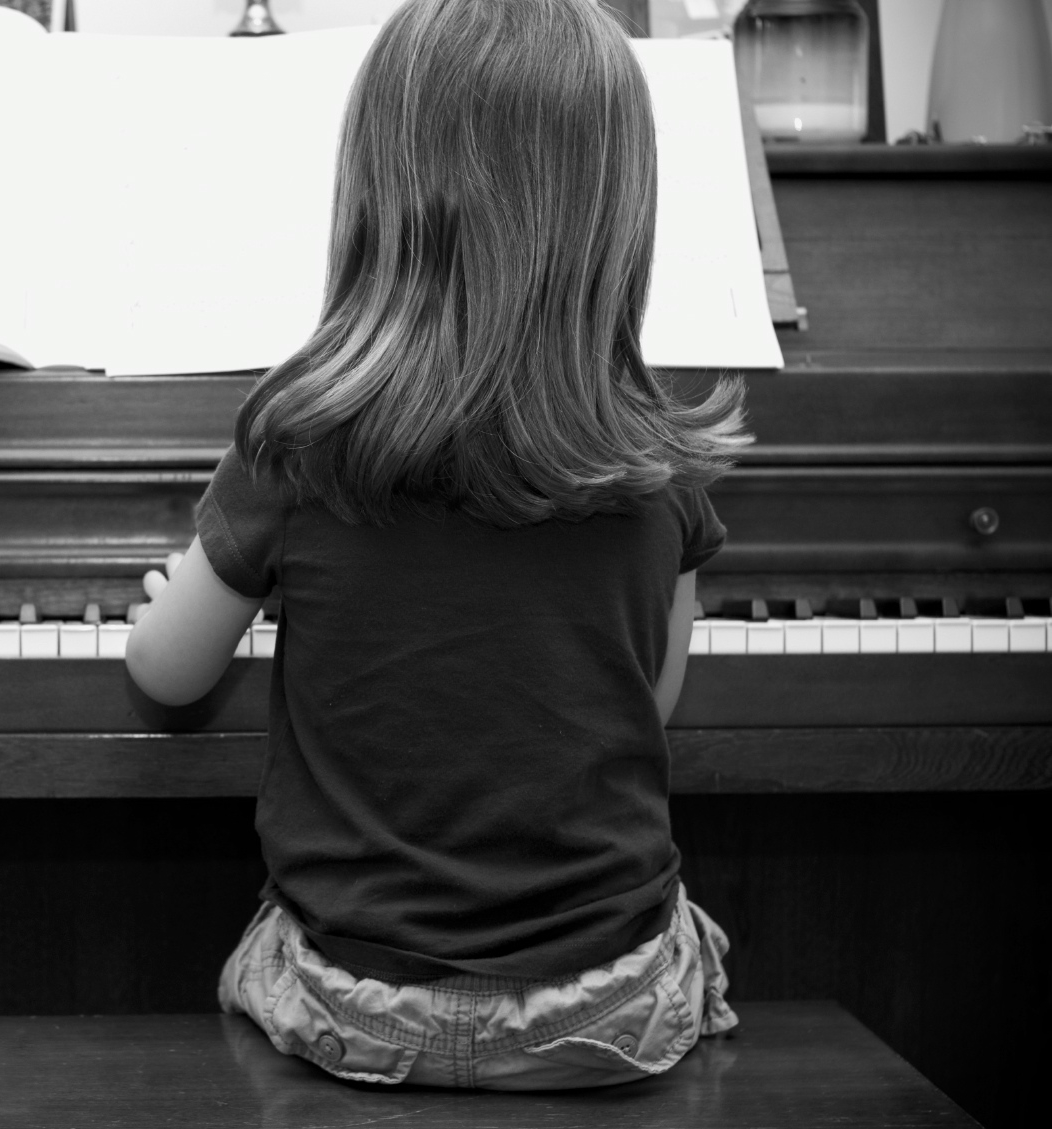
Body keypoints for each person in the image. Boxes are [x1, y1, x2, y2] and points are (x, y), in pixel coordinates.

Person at [125, 0, 749, 1090]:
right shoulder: (657, 468)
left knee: (263, 933)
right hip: (606, 1009)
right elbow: (643, 707)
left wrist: (167, 599)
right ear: (618, 210)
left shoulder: (301, 437)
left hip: (355, 1006)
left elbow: (168, 673)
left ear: (377, 191)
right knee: (684, 927)